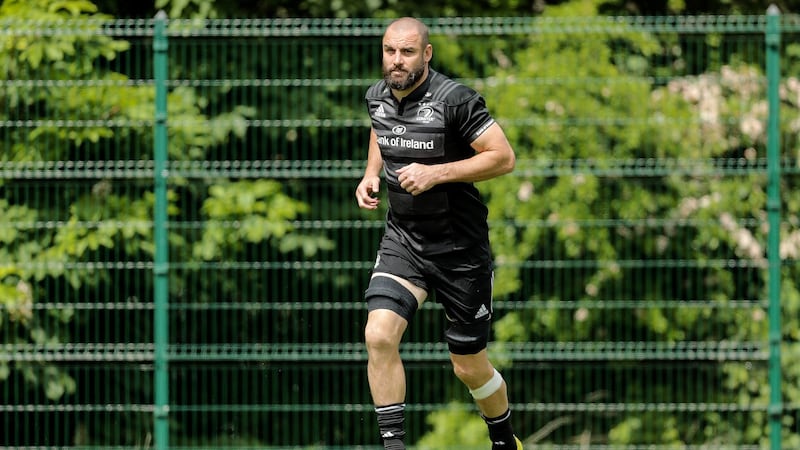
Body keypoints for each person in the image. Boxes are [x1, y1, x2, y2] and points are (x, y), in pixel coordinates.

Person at [354, 17, 522, 450]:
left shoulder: (456, 101)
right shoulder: (378, 96)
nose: (396, 61)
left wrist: (437, 174)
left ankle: (504, 440)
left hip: (459, 249)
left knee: (468, 366)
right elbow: (382, 129)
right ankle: (394, 446)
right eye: (390, 51)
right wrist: (370, 174)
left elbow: (504, 158)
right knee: (378, 335)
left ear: (426, 54)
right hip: (404, 241)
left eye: (407, 52)